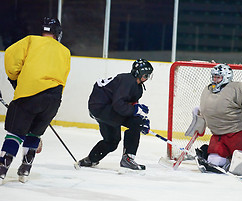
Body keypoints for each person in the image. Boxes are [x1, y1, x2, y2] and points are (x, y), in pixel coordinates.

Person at [0, 17, 71, 183]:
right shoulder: (65, 51)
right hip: (54, 99)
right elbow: (63, 76)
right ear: (58, 33)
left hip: (29, 95)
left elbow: (11, 58)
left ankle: (3, 167)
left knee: (16, 133)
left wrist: (16, 78)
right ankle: (25, 169)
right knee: (35, 133)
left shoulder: (31, 41)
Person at [78, 59, 153, 171]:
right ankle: (128, 159)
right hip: (102, 108)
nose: (147, 78)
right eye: (145, 75)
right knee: (136, 123)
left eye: (149, 76)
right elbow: (119, 104)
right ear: (138, 73)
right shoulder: (128, 81)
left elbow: (129, 104)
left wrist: (142, 118)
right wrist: (136, 113)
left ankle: (90, 159)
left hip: (104, 109)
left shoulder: (137, 86)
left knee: (112, 141)